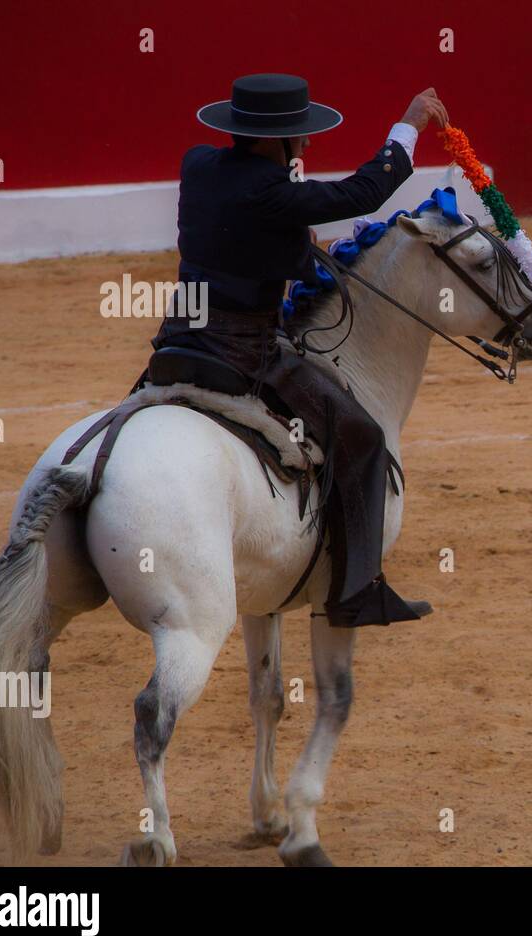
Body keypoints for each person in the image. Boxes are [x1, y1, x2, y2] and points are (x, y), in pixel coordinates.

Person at [151, 73, 448, 627]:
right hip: (242, 351)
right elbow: (361, 191)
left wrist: (296, 250)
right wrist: (408, 127)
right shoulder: (273, 193)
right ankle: (356, 591)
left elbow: (238, 233)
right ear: (273, 139)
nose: (308, 143)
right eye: (299, 134)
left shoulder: (199, 164)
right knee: (362, 439)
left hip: (177, 342)